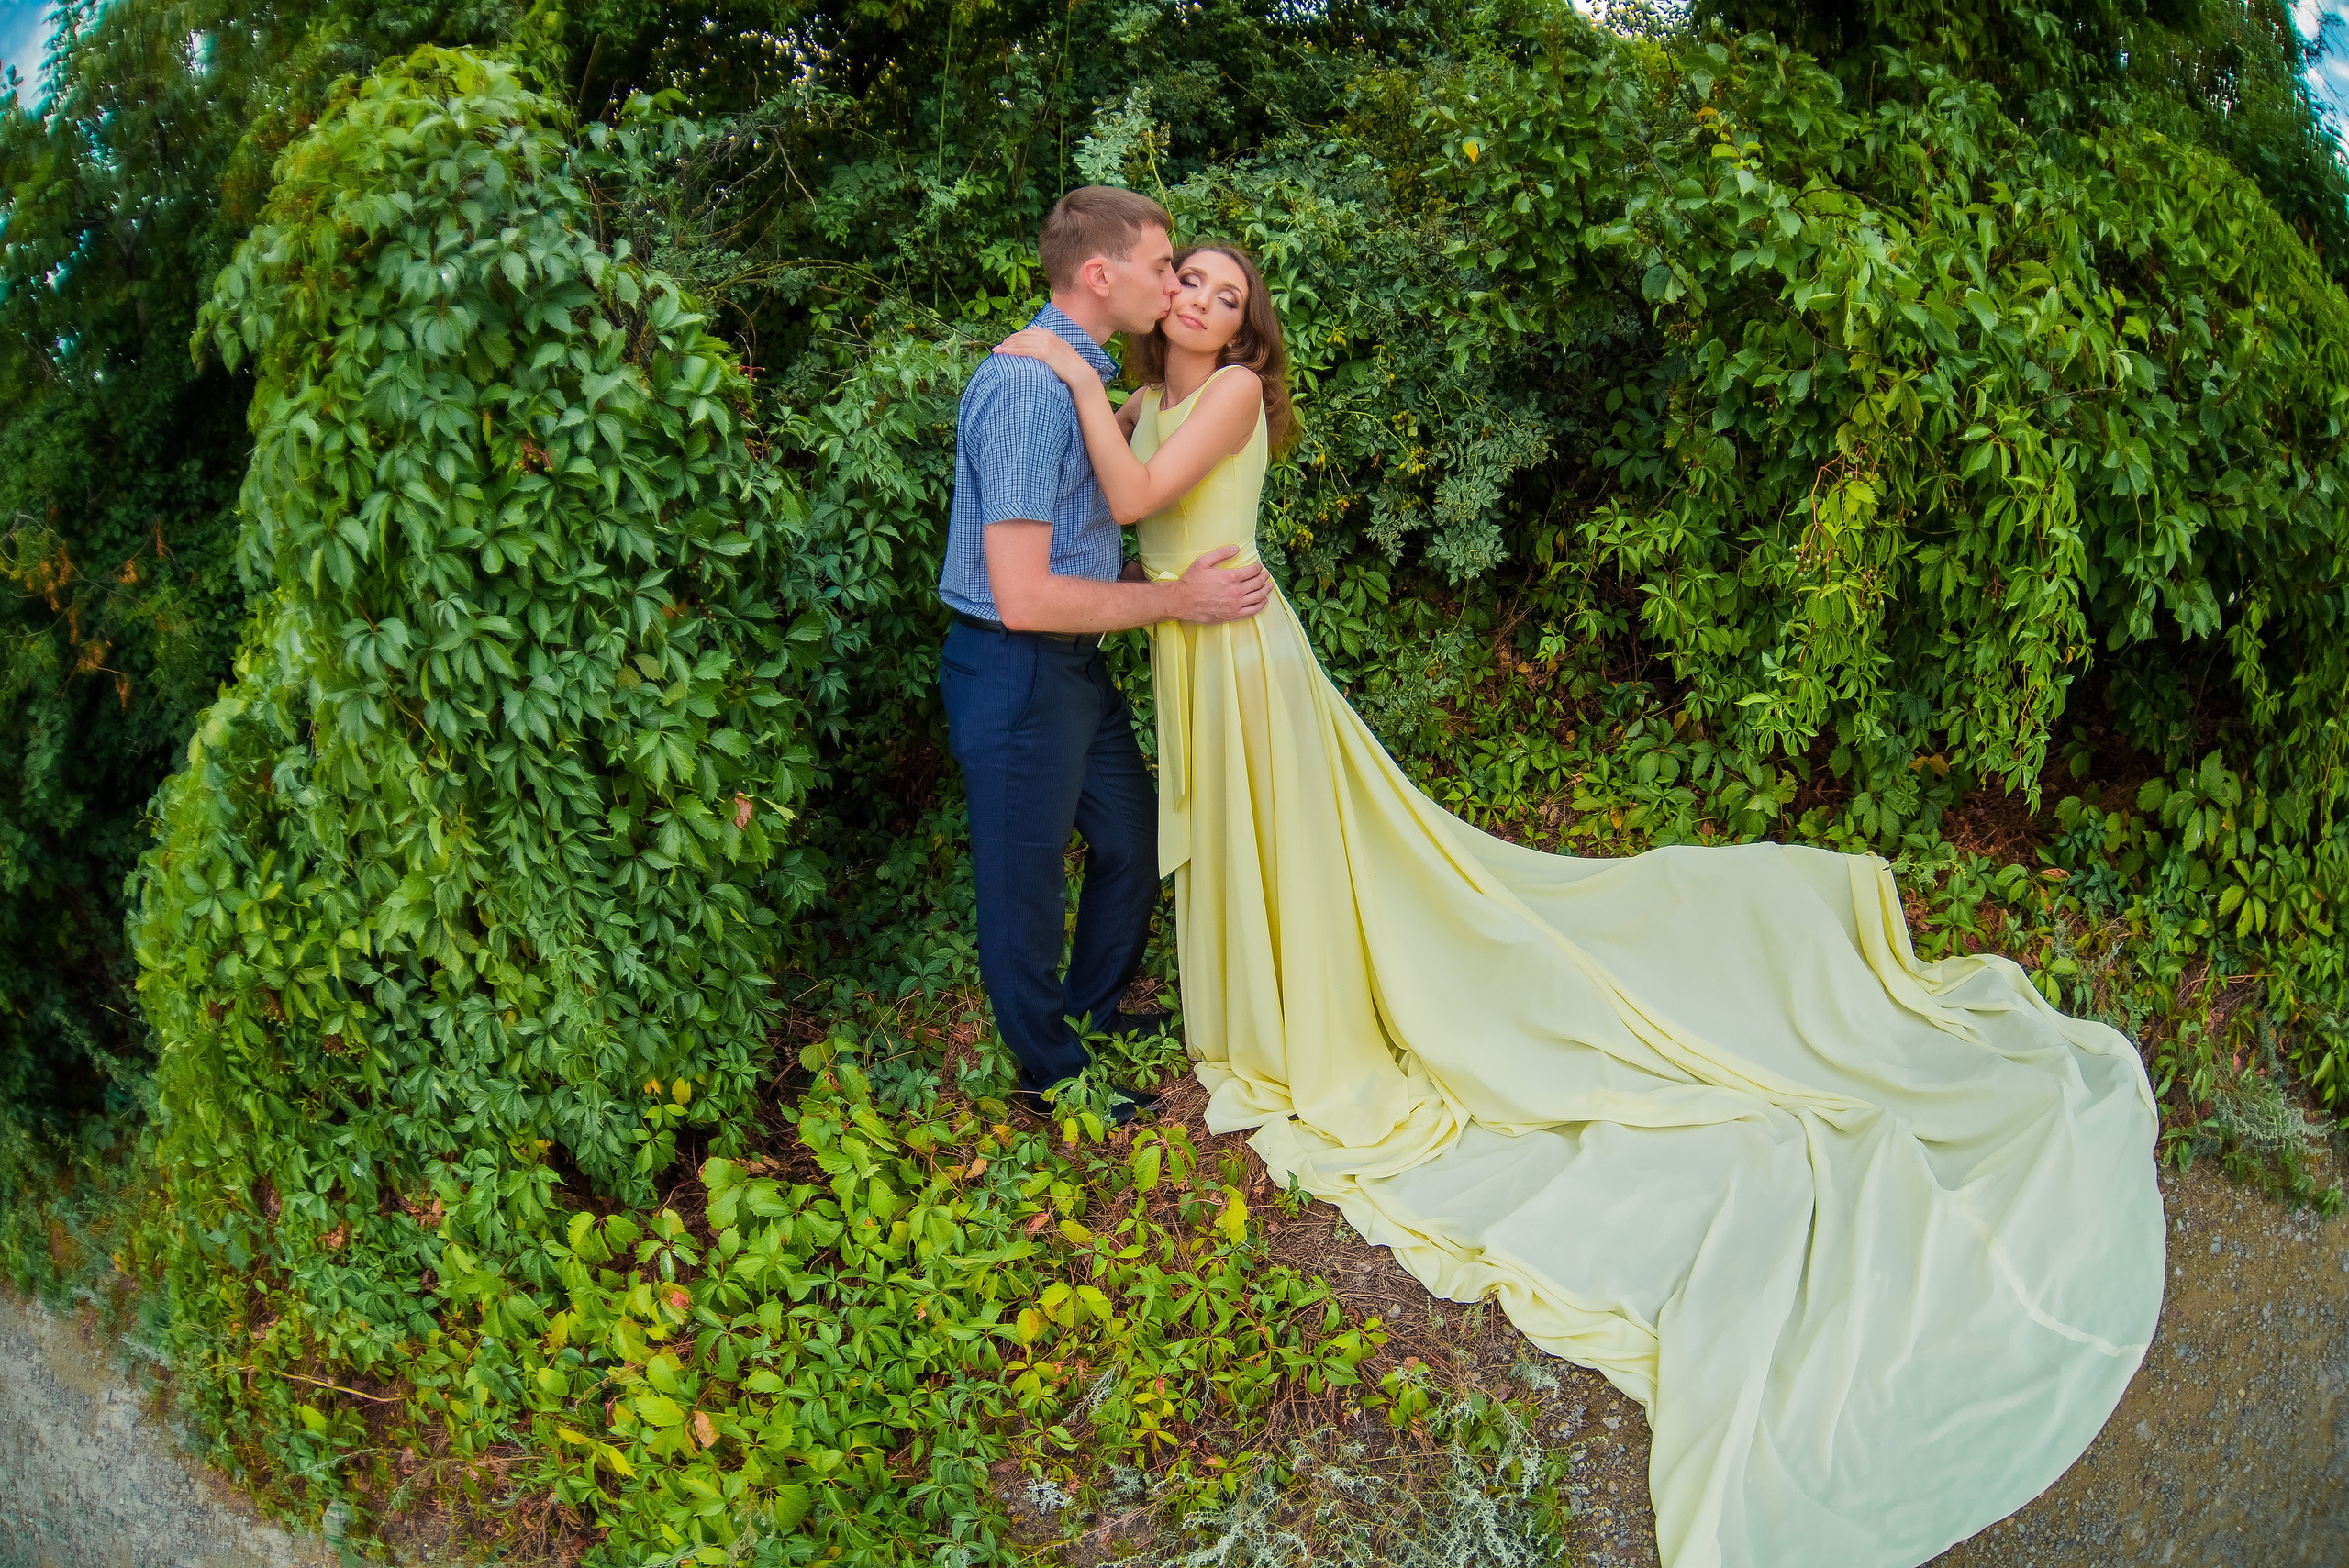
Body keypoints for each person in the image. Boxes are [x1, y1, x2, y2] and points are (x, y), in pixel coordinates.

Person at [995, 243, 2168, 1568]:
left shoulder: (1225, 400)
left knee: (1313, 854)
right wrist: (1092, 385)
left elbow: (1140, 489)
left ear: (1246, 325)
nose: (1205, 301)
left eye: (1226, 292)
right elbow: (1112, 503)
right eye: (1190, 282)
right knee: (1236, 849)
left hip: (1245, 660)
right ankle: (1247, 1000)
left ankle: (1320, 1005)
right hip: (1190, 651)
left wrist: (1059, 362)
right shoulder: (1149, 394)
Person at [936, 187, 1270, 1121]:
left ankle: (1088, 1012)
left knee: (1132, 840)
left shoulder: (1090, 382)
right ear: (1100, 273)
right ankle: (1052, 1075)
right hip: (1013, 665)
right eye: (1165, 267)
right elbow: (1023, 591)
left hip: (1073, 663)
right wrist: (1176, 597)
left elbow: (1092, 521)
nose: (1175, 286)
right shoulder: (1023, 387)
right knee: (1024, 884)